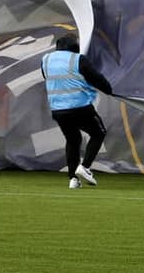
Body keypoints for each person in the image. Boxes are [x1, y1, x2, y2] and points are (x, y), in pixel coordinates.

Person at [42, 31, 114, 189]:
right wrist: (109, 90)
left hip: (58, 110)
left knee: (73, 140)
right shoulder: (78, 59)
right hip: (80, 107)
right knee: (98, 133)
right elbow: (96, 78)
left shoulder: (46, 60)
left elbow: (47, 77)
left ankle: (73, 179)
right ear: (75, 46)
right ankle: (85, 167)